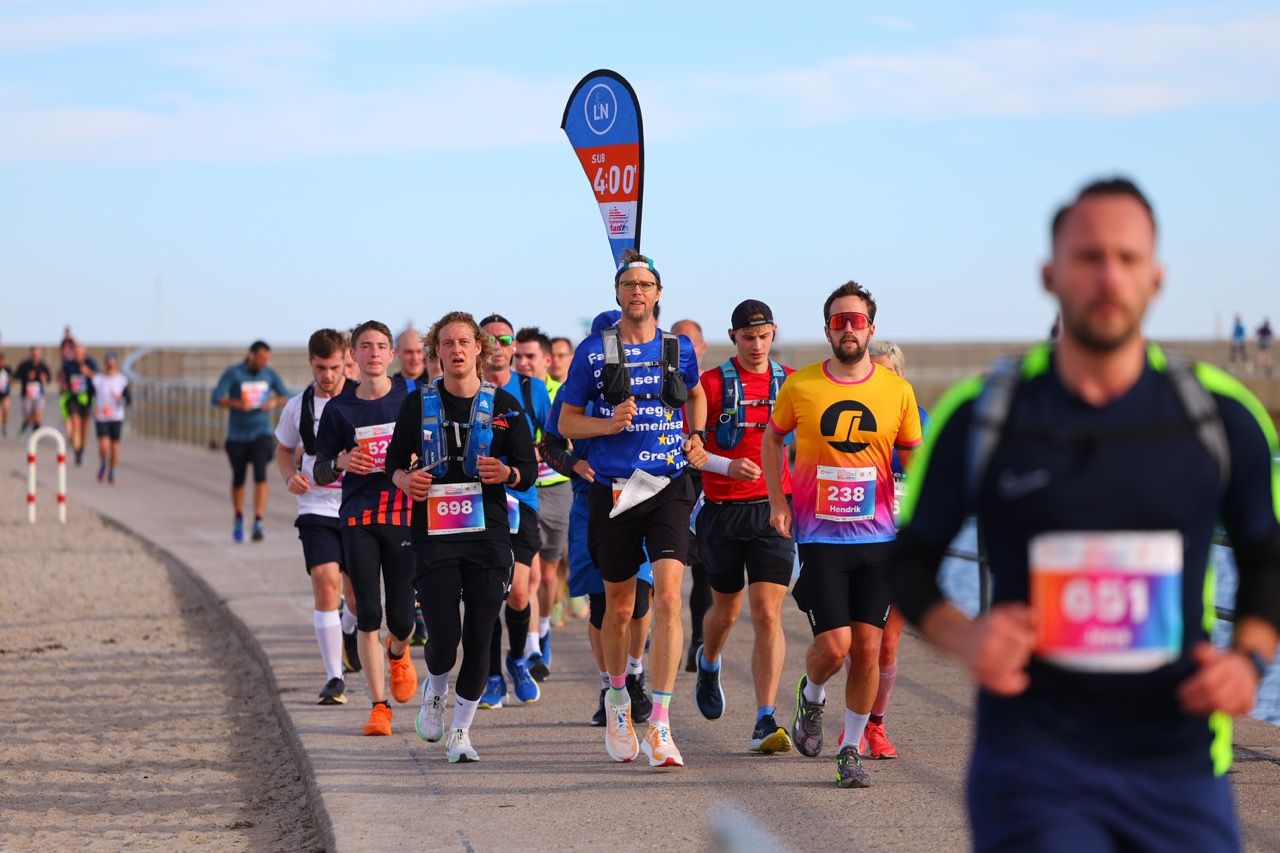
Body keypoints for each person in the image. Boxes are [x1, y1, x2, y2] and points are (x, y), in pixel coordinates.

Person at [891, 177, 1280, 850]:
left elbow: (1266, 555)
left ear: (1156, 277)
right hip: (1033, 767)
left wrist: (1248, 658)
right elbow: (908, 561)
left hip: (1184, 769)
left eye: (1127, 258)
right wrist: (967, 637)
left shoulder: (1220, 417)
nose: (1109, 275)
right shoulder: (985, 415)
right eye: (1089, 256)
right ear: (1050, 274)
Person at [763, 281, 923, 789]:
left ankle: (849, 748)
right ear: (827, 327)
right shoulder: (802, 385)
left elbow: (914, 453)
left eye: (857, 320)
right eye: (839, 320)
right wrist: (777, 500)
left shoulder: (897, 390)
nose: (848, 327)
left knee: (868, 651)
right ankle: (810, 698)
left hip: (878, 539)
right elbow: (772, 438)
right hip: (820, 536)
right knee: (834, 647)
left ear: (871, 328)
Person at [559, 249, 707, 768]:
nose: (637, 292)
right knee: (619, 607)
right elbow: (566, 424)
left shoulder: (679, 348)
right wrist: (608, 425)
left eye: (646, 285)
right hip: (618, 488)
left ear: (658, 293)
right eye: (629, 285)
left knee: (668, 597)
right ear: (617, 294)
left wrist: (695, 434)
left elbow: (696, 394)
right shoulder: (592, 353)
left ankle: (661, 724)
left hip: (666, 483)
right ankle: (619, 697)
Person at [386, 312, 538, 763]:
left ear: (479, 349)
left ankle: (461, 732)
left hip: (488, 535)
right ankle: (435, 689)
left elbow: (527, 471)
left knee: (479, 635)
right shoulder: (418, 403)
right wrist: (405, 481)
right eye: (447, 343)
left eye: (464, 342)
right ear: (437, 351)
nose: (456, 350)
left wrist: (506, 472)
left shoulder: (507, 405)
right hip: (434, 534)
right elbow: (393, 464)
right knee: (445, 636)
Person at [691, 300, 796, 754]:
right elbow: (689, 448)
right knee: (727, 612)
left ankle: (764, 717)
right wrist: (726, 465)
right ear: (733, 336)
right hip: (722, 509)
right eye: (748, 337)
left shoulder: (791, 381)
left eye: (764, 336)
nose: (757, 345)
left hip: (774, 510)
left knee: (769, 612)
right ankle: (708, 660)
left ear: (774, 334)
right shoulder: (710, 384)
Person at [544, 310, 655, 726]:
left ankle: (636, 675)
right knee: (599, 605)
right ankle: (610, 686)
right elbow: (551, 443)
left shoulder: (649, 378)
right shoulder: (578, 387)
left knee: (639, 600)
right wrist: (574, 465)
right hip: (588, 502)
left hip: (641, 495)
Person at [314, 321, 418, 736]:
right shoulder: (339, 409)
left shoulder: (411, 399)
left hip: (403, 512)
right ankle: (379, 706)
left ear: (391, 355)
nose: (373, 353)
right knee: (367, 612)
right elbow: (320, 469)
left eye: (380, 346)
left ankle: (399, 652)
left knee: (403, 617)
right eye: (364, 347)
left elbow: (436, 449)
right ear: (352, 357)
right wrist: (341, 463)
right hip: (358, 515)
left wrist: (414, 461)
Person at [274, 329, 362, 706]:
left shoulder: (362, 400)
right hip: (316, 506)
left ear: (346, 361)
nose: (328, 375)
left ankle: (349, 629)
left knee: (359, 599)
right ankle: (334, 678)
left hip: (358, 504)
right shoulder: (298, 406)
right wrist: (289, 476)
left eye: (334, 367)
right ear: (310, 363)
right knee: (327, 584)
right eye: (320, 368)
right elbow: (283, 449)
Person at [476, 313, 550, 706]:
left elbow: (555, 438)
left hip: (522, 499)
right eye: (491, 341)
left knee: (519, 593)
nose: (500, 349)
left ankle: (517, 660)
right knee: (488, 594)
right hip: (478, 506)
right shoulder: (467, 391)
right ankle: (490, 677)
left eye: (506, 341)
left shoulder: (532, 389)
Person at [517, 326, 574, 664]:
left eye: (531, 357)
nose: (523, 363)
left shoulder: (559, 392)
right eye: (518, 357)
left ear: (546, 360)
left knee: (549, 576)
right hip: (521, 491)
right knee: (530, 574)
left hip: (555, 489)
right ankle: (531, 645)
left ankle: (543, 626)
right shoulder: (509, 392)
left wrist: (542, 452)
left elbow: (567, 439)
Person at [210, 341, 289, 542]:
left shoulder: (269, 374)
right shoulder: (234, 373)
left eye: (267, 359)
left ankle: (259, 521)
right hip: (237, 435)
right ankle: (238, 517)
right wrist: (236, 403)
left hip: (261, 433)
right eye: (261, 358)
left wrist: (274, 401)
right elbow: (216, 397)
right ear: (251, 355)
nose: (265, 362)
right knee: (239, 477)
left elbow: (285, 395)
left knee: (261, 475)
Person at [671, 318, 713, 673]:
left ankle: (699, 640)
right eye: (678, 342)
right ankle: (655, 632)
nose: (686, 349)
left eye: (691, 343)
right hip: (665, 478)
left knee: (703, 568)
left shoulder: (710, 385)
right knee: (659, 569)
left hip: (704, 479)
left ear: (702, 348)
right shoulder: (660, 379)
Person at [88, 351, 130, 483]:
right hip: (101, 416)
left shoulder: (122, 380)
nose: (110, 363)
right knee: (104, 445)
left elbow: (128, 400)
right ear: (105, 362)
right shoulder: (98, 379)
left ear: (116, 362)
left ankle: (112, 471)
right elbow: (90, 396)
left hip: (116, 416)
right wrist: (92, 407)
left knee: (115, 446)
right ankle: (103, 462)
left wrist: (120, 399)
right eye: (108, 360)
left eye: (113, 360)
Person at [60, 344, 98, 466]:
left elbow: (98, 377)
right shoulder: (68, 364)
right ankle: (76, 450)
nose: (77, 354)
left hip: (87, 398)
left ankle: (82, 449)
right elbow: (63, 378)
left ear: (84, 353)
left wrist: (88, 373)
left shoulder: (90, 363)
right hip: (73, 397)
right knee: (75, 422)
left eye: (80, 352)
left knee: (84, 426)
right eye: (75, 352)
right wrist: (64, 385)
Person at [16, 346, 52, 435]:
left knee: (37, 415)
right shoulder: (24, 365)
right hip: (27, 395)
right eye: (34, 353)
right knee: (28, 417)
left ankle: (36, 435)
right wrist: (27, 376)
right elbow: (16, 376)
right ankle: (24, 425)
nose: (36, 355)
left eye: (38, 354)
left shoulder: (43, 366)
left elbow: (49, 380)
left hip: (39, 395)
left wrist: (44, 378)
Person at [0, 352, 12, 438]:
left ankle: (4, 426)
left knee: (6, 409)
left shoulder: (7, 369)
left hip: (5, 393)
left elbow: (11, 380)